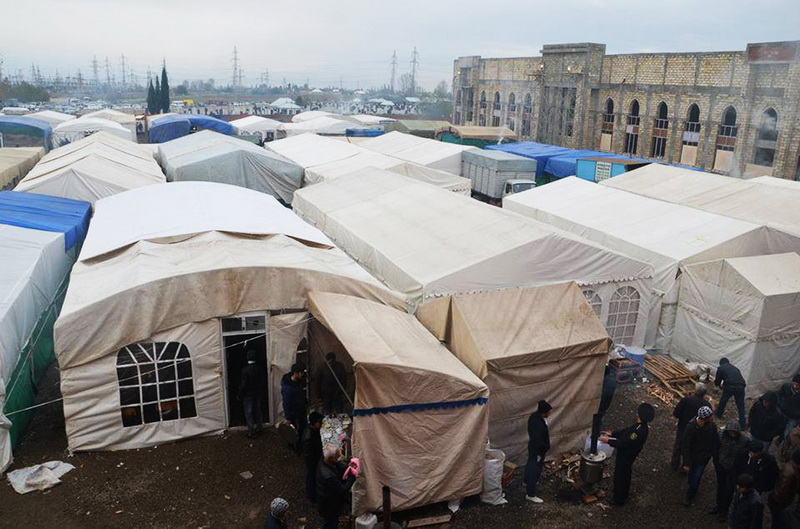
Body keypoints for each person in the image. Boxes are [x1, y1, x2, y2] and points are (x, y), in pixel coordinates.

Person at [600, 402, 654, 506]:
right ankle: (622, 494)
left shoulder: (638, 431)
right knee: (624, 474)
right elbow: (626, 432)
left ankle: (618, 498)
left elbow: (624, 443)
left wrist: (608, 441)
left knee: (621, 475)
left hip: (627, 455)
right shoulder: (639, 426)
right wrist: (613, 433)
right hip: (627, 454)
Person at [682, 405, 721, 506]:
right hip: (693, 457)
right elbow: (685, 445)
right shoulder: (691, 427)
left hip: (703, 458)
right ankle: (692, 488)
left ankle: (690, 495)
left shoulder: (711, 426)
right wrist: (687, 462)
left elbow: (714, 440)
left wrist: (710, 453)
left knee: (696, 478)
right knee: (692, 476)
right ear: (706, 418)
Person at [672, 383, 712, 470]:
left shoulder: (687, 399)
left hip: (683, 427)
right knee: (691, 448)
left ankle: (675, 464)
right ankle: (685, 466)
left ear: (696, 391)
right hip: (697, 431)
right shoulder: (707, 405)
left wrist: (682, 418)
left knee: (678, 445)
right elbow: (709, 420)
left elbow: (676, 413)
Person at [317, 444, 357, 529]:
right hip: (329, 506)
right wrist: (353, 476)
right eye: (337, 457)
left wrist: (347, 467)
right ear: (331, 458)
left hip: (325, 500)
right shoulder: (328, 477)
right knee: (331, 523)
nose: (338, 459)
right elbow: (342, 490)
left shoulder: (324, 459)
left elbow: (336, 464)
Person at [525, 400, 552, 503]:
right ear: (544, 412)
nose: (550, 414)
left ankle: (526, 481)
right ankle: (530, 494)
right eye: (548, 412)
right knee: (535, 470)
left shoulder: (534, 417)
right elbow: (539, 441)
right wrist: (542, 451)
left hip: (533, 448)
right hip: (537, 451)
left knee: (530, 464)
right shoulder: (539, 426)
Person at [769, 450, 800, 529]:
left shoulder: (792, 466)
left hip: (780, 502)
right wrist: (787, 504)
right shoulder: (790, 473)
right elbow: (782, 491)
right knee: (778, 523)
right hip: (779, 503)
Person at [281, 362, 308, 450]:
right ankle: (293, 446)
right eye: (301, 373)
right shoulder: (288, 388)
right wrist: (288, 417)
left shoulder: (299, 382)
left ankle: (300, 444)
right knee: (293, 430)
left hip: (301, 410)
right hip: (293, 412)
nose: (303, 374)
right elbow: (286, 403)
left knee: (302, 428)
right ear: (296, 373)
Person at [715, 358, 747, 430]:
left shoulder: (721, 368)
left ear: (721, 363)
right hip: (741, 387)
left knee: (723, 401)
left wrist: (718, 385)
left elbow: (717, 381)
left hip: (730, 386)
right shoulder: (735, 368)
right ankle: (743, 424)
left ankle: (719, 414)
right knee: (741, 406)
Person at [239, 350, 265, 439]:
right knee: (258, 410)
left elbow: (243, 385)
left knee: (248, 412)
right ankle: (259, 428)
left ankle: (251, 431)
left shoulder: (245, 370)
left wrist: (240, 394)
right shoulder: (259, 368)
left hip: (248, 394)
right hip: (257, 393)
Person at [302, 411, 324, 503]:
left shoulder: (312, 430)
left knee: (311, 476)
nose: (321, 424)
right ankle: (312, 497)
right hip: (312, 461)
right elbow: (308, 454)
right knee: (312, 476)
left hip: (314, 458)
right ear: (315, 423)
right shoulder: (309, 436)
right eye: (320, 422)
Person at [779, 375, 800, 442]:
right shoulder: (786, 387)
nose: (795, 386)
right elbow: (779, 395)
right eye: (794, 384)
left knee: (787, 433)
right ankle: (780, 439)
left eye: (798, 385)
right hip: (783, 413)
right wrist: (781, 405)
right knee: (781, 429)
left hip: (794, 417)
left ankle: (784, 446)